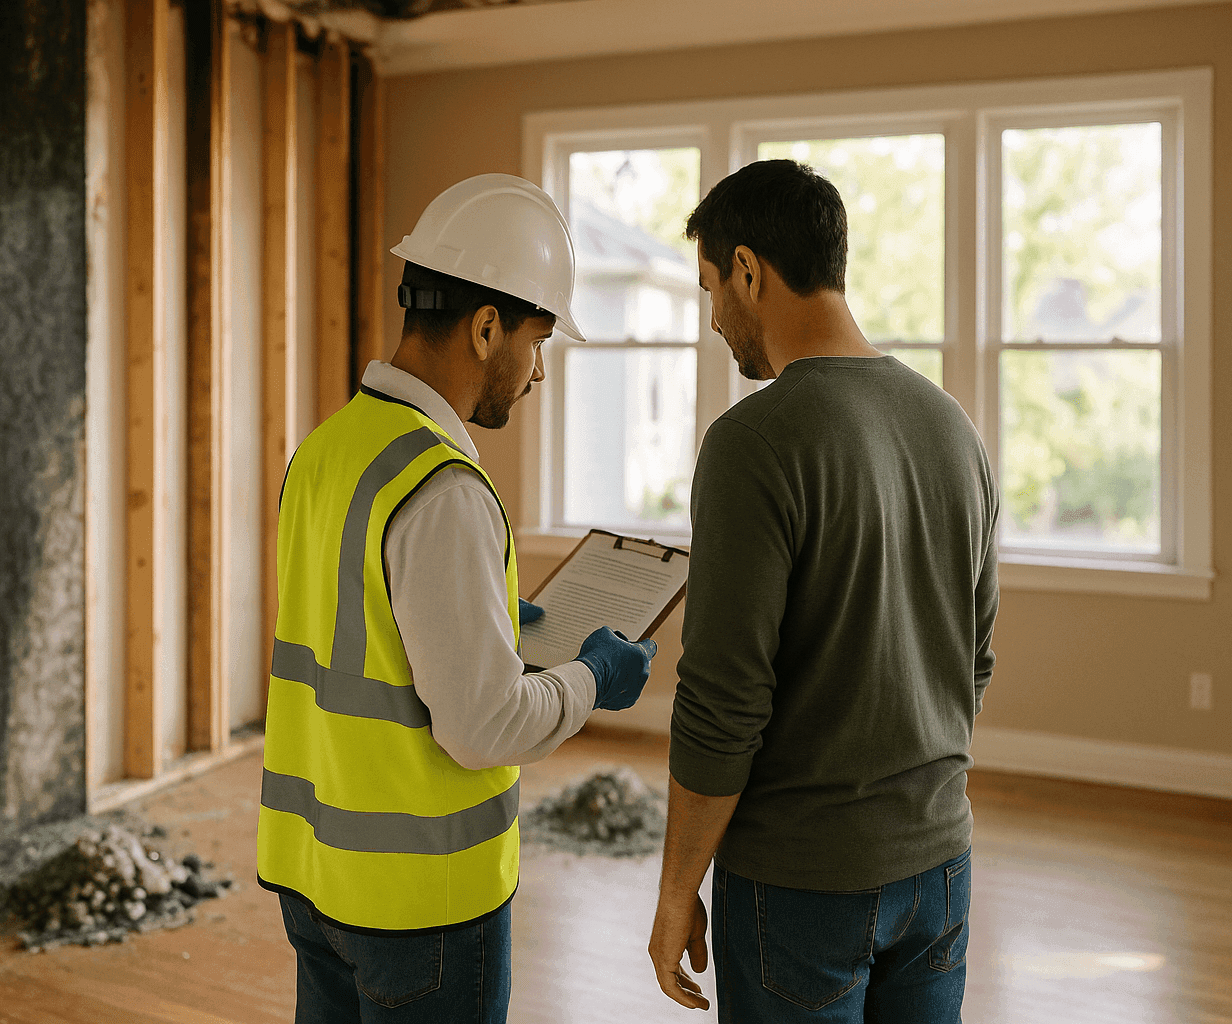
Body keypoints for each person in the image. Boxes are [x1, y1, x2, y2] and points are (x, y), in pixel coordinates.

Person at [258, 172, 659, 1024]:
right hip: (422, 908)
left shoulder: (328, 449)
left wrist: (479, 624)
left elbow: (355, 625)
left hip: (316, 877)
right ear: (485, 328)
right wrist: (593, 677)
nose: (538, 372)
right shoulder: (444, 487)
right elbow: (483, 728)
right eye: (537, 341)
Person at [646, 159, 999, 1023]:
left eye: (710, 290)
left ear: (749, 271)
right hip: (941, 867)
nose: (717, 321)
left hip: (801, 888)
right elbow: (973, 660)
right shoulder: (953, 426)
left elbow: (723, 704)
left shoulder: (752, 442)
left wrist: (676, 889)